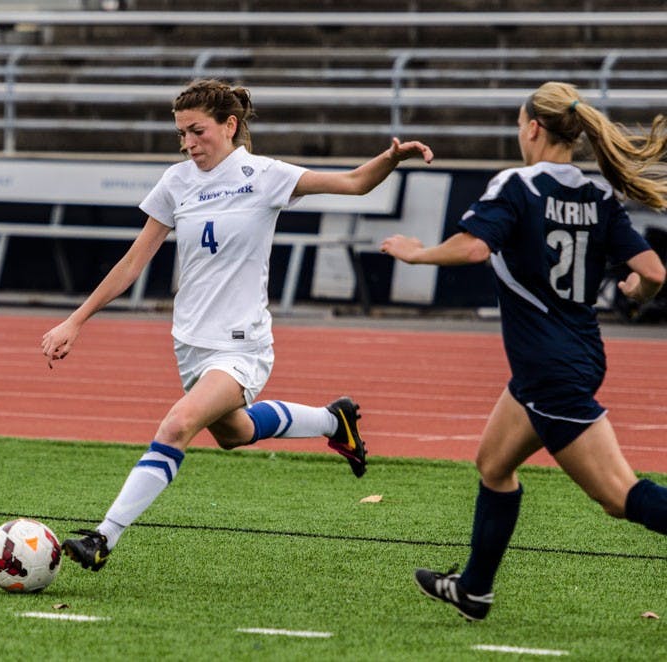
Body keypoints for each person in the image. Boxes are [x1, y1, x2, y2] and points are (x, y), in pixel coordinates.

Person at [41, 79, 434, 571]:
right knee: (234, 433)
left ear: (230, 126)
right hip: (190, 345)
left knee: (178, 424)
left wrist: (390, 160)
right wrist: (75, 322)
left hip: (242, 345)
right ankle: (335, 420)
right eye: (181, 133)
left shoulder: (263, 174)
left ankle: (103, 537)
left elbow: (353, 182)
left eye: (197, 131)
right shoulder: (176, 181)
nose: (188, 144)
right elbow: (132, 264)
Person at [380, 81, 667, 621]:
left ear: (533, 127)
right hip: (571, 357)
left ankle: (474, 587)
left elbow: (474, 247)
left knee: (619, 496)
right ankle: (474, 589)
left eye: (519, 125)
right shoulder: (598, 195)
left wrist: (416, 256)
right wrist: (637, 292)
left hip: (550, 368)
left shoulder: (518, 185)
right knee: (493, 463)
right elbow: (652, 272)